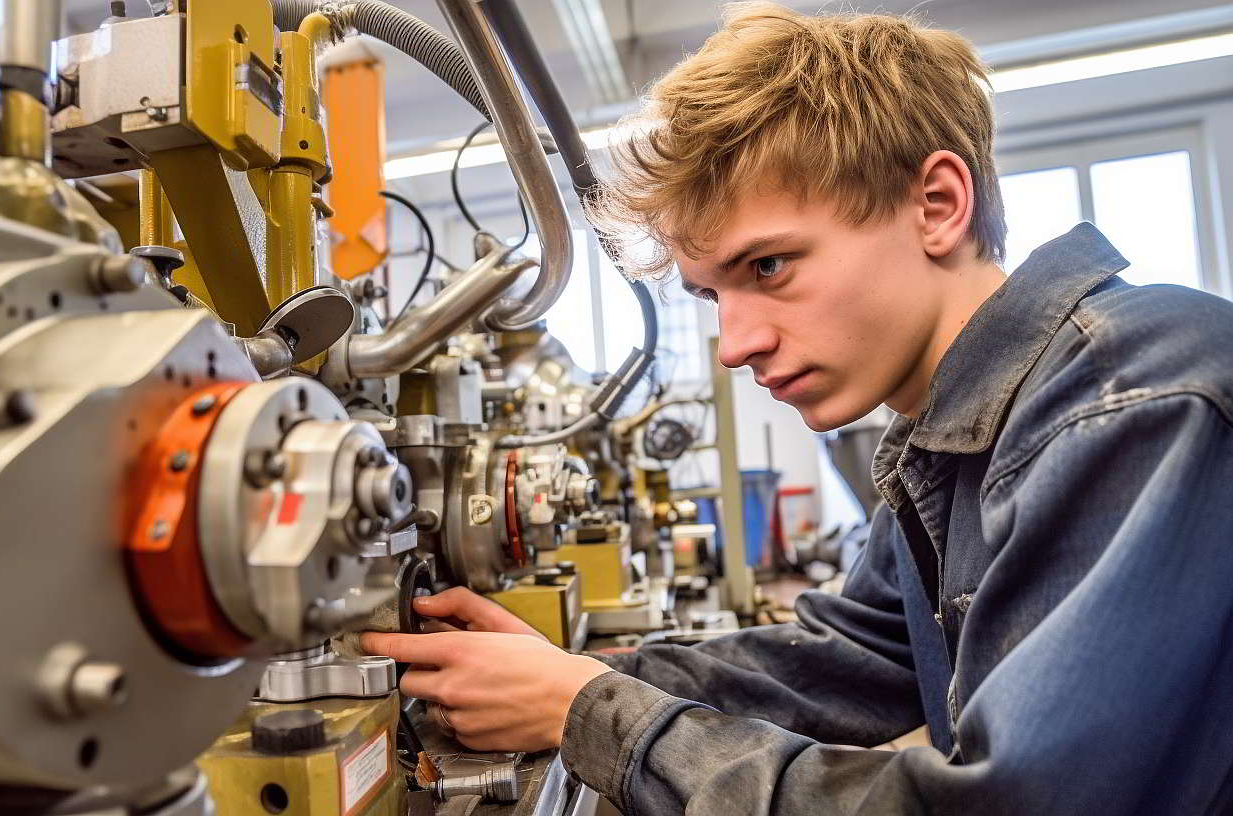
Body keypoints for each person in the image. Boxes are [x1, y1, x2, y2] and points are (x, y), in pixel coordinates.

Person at [364, 2, 1233, 813]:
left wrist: (588, 712)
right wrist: (569, 674)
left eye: (769, 267)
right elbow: (852, 662)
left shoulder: (1132, 398)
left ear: (937, 204)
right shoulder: (947, 438)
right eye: (711, 297)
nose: (735, 343)